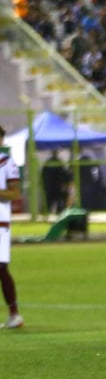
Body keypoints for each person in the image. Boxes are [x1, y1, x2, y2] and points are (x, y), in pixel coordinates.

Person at [0, 125, 23, 329]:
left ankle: (14, 314)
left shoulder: (6, 162)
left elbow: (14, 194)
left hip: (0, 223)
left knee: (0, 267)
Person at [42, 149, 71, 214]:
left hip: (50, 185)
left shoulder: (48, 162)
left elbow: (43, 174)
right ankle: (59, 213)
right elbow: (64, 174)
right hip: (57, 185)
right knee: (59, 201)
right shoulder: (59, 162)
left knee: (49, 202)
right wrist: (65, 184)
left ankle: (46, 213)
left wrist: (45, 184)